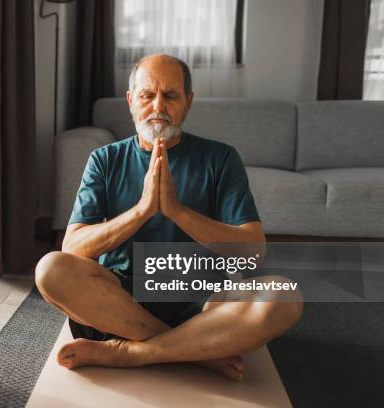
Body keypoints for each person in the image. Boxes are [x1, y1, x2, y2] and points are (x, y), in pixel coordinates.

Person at [35, 54, 303, 381]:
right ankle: (195, 349)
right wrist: (143, 209)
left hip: (202, 299)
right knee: (50, 269)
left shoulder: (221, 159)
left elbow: (254, 252)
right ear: (131, 101)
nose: (158, 106)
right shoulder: (104, 160)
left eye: (171, 96)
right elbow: (73, 248)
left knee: (284, 297)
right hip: (120, 301)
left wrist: (176, 210)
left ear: (188, 103)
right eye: (147, 95)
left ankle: (134, 352)